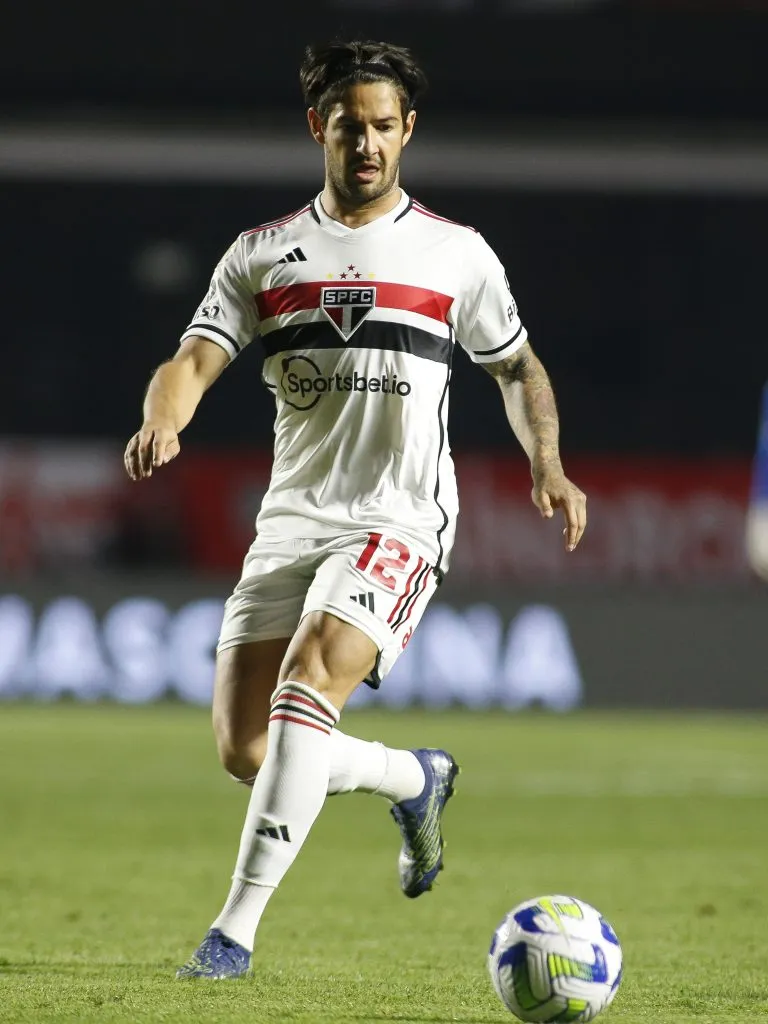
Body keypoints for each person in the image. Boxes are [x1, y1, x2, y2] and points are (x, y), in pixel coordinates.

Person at [123, 38, 587, 980]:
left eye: (384, 126)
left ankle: (232, 936)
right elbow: (194, 361)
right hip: (294, 517)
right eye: (349, 127)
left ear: (408, 130)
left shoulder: (455, 254)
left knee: (308, 684)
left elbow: (517, 366)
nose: (368, 144)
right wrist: (162, 420)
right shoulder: (261, 256)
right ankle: (416, 778)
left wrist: (549, 459)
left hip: (401, 515)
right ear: (318, 129)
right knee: (249, 750)